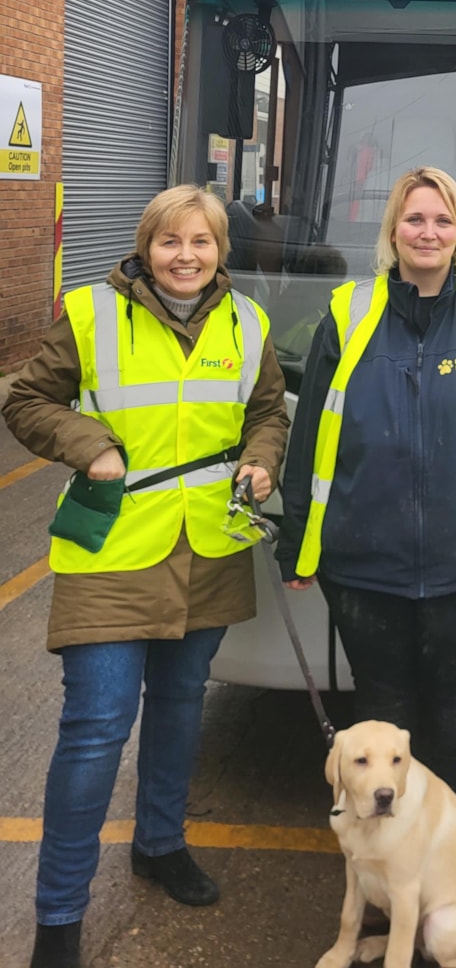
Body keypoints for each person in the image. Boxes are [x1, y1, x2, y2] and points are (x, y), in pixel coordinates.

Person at [5, 186, 289, 968]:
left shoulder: (247, 322)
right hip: (113, 549)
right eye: (171, 242)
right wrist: (87, 442)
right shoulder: (94, 315)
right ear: (146, 247)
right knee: (96, 729)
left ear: (220, 250)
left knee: (179, 707)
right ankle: (59, 916)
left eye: (201, 242)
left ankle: (160, 844)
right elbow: (27, 398)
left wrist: (261, 463)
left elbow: (268, 411)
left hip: (208, 547)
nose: (186, 256)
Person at [276, 167, 456, 811]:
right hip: (362, 564)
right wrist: (297, 538)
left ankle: (449, 865)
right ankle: (387, 868)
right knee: (380, 718)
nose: (427, 232)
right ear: (393, 231)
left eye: (442, 220)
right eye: (414, 219)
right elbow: (312, 436)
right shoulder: (346, 315)